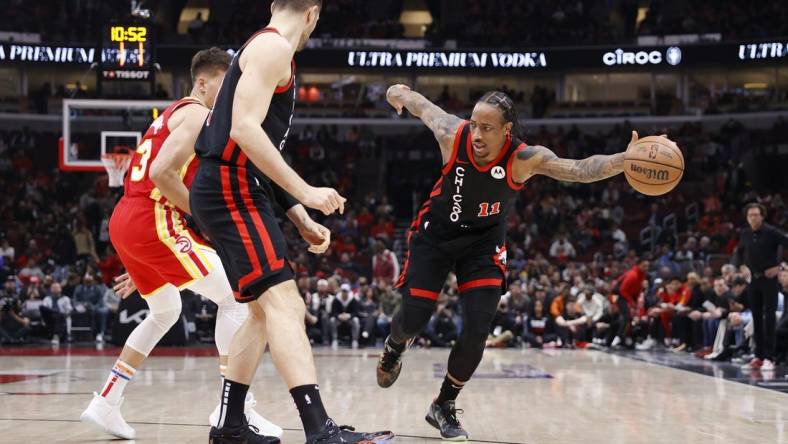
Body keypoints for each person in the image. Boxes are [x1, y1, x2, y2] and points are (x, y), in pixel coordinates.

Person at [377, 84, 644, 440]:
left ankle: (443, 404)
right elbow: (422, 105)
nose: (476, 134)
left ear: (507, 131)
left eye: (486, 128)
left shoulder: (524, 158)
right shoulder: (451, 134)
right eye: (474, 124)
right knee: (413, 318)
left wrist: (623, 160)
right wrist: (399, 92)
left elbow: (579, 169)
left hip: (484, 242)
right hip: (436, 236)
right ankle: (396, 347)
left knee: (477, 329)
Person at [189, 2, 393, 443]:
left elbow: (255, 149)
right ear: (312, 13)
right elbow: (243, 130)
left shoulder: (266, 48)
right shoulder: (273, 48)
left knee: (262, 313)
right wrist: (305, 192)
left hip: (234, 186)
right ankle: (319, 430)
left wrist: (297, 217)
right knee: (288, 306)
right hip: (230, 188)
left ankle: (229, 427)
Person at [79, 48, 281, 441]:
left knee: (165, 310)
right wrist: (207, 222)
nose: (230, 94)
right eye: (225, 84)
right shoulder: (197, 114)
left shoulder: (169, 115)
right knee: (238, 298)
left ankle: (107, 399)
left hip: (130, 218)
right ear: (202, 82)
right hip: (153, 217)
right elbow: (160, 173)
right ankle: (234, 409)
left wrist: (150, 258)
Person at [733, 202, 788, 371]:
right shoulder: (745, 233)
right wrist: (741, 266)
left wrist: (780, 267)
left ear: (762, 216)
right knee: (756, 317)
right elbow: (738, 252)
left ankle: (769, 358)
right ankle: (758, 355)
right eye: (750, 215)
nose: (753, 218)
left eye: (756, 215)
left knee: (769, 318)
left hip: (768, 280)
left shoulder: (771, 232)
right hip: (752, 280)